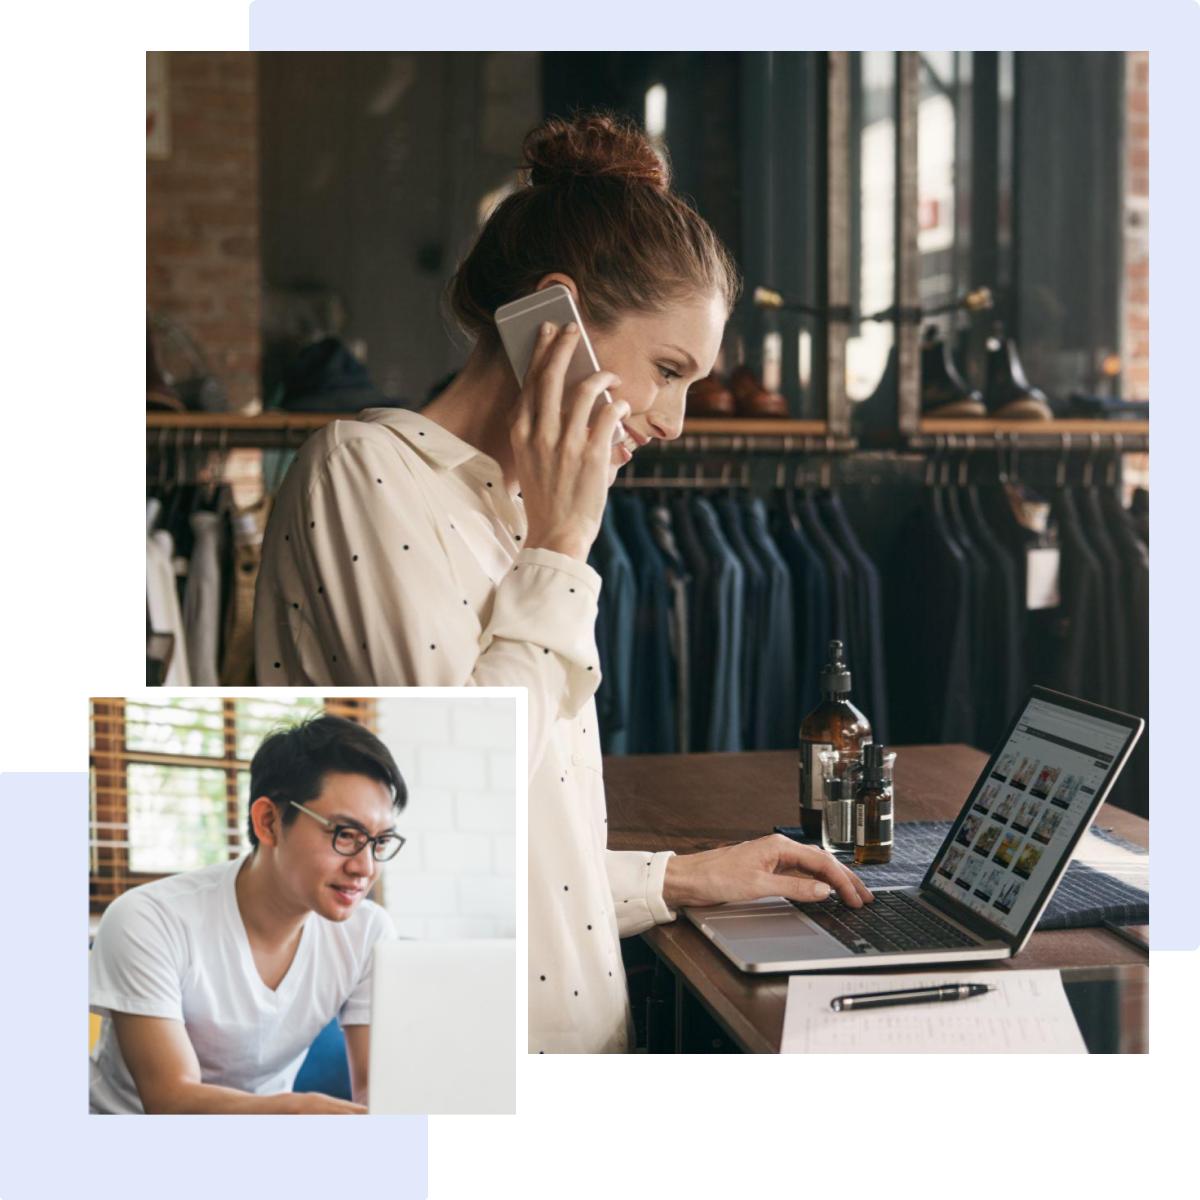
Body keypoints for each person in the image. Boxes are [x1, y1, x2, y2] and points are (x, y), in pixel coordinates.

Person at [253, 111, 872, 1053]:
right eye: (668, 369)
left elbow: (531, 852)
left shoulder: (521, 512)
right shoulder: (360, 473)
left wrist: (679, 878)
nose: (673, 421)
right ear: (558, 318)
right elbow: (448, 802)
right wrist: (563, 543)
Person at [88, 716, 405, 1113]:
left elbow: (378, 1091)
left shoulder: (368, 932)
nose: (365, 867)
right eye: (345, 834)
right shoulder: (147, 920)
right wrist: (300, 1110)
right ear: (268, 821)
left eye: (380, 842)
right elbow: (170, 1099)